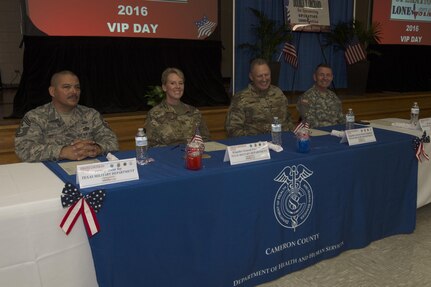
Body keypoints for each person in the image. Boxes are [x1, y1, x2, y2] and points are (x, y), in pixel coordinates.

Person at [15, 70, 119, 162]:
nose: (74, 91)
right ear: (52, 91)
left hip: (87, 171)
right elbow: (23, 149)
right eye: (66, 87)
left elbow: (112, 142)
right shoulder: (35, 117)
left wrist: (96, 148)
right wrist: (62, 152)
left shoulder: (91, 115)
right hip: (48, 173)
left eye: (77, 87)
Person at [225, 58, 294, 137]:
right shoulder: (241, 98)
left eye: (267, 75)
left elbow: (288, 119)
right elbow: (233, 129)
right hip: (255, 145)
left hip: (282, 141)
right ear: (251, 77)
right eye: (260, 76)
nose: (264, 79)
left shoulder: (278, 93)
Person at [144, 67, 210, 147]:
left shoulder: (194, 112)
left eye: (180, 83)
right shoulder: (154, 114)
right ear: (164, 87)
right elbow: (150, 145)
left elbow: (205, 139)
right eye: (173, 83)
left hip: (193, 156)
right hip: (167, 157)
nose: (178, 86)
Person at [296, 64, 344, 128]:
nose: (325, 78)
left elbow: (341, 118)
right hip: (317, 134)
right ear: (315, 77)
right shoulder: (306, 97)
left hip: (335, 133)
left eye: (328, 75)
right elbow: (309, 123)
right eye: (321, 75)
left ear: (332, 78)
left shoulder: (334, 97)